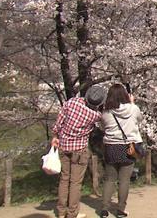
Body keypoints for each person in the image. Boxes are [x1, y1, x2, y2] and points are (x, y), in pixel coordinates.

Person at [51, 85, 105, 218]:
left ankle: (61, 211)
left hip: (64, 146)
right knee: (75, 182)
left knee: (64, 179)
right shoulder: (95, 115)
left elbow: (59, 122)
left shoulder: (71, 103)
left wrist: (55, 136)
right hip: (79, 149)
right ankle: (72, 213)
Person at [100, 84, 143, 218]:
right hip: (128, 147)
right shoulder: (133, 109)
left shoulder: (106, 112)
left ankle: (105, 209)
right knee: (124, 180)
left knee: (109, 179)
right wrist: (132, 103)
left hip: (111, 147)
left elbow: (103, 127)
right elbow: (140, 120)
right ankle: (120, 210)